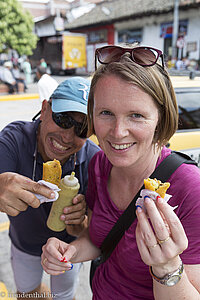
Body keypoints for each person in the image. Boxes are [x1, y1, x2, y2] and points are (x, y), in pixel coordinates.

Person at [41, 45, 200, 299]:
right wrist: (69, 251)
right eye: (106, 113)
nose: (117, 132)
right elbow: (97, 238)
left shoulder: (191, 188)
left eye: (136, 115)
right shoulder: (99, 165)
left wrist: (167, 267)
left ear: (161, 117)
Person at [0, 77, 100, 300]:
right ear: (44, 109)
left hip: (68, 249)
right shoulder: (14, 139)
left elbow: (94, 231)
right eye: (62, 119)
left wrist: (80, 225)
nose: (66, 136)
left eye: (82, 129)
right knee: (27, 295)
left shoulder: (95, 159)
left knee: (64, 296)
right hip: (24, 244)